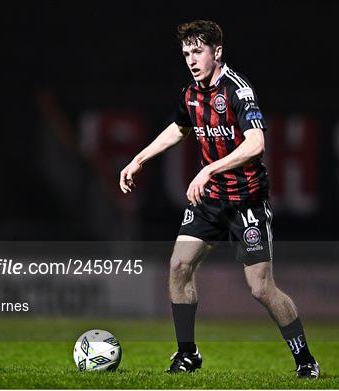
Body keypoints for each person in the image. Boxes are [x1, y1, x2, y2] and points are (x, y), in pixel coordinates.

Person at [119, 20, 320, 379]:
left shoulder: (238, 91)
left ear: (218, 52)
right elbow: (179, 128)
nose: (192, 60)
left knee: (260, 288)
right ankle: (187, 354)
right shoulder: (191, 93)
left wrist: (209, 170)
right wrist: (139, 158)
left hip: (246, 202)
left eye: (198, 51)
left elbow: (256, 143)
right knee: (179, 266)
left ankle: (305, 358)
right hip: (210, 201)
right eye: (186, 53)